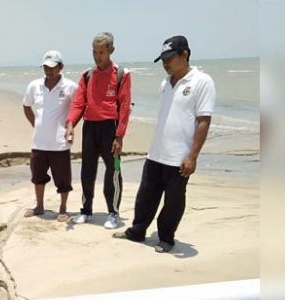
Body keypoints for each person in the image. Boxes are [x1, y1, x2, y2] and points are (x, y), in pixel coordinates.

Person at [113, 35, 216, 253]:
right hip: (156, 152)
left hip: (180, 156)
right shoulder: (165, 84)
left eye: (169, 58)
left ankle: (166, 238)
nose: (165, 64)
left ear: (184, 55)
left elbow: (203, 120)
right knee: (145, 196)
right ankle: (137, 231)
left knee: (173, 202)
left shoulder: (202, 82)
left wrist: (193, 156)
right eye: (162, 59)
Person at [65, 32, 132, 229]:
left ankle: (113, 212)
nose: (97, 56)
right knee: (87, 170)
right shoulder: (87, 75)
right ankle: (86, 210)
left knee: (113, 171)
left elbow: (125, 106)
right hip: (90, 127)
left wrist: (119, 136)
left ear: (111, 50)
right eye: (94, 52)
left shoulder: (122, 74)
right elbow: (78, 103)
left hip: (110, 128)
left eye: (102, 52)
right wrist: (70, 124)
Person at [22, 50, 78, 222]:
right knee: (37, 176)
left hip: (59, 143)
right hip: (39, 142)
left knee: (63, 179)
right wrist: (36, 124)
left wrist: (70, 127)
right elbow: (26, 106)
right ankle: (39, 206)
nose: (49, 71)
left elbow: (78, 108)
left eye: (53, 67)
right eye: (46, 67)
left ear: (61, 67)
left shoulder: (70, 87)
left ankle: (63, 208)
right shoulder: (34, 86)